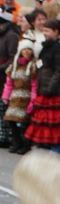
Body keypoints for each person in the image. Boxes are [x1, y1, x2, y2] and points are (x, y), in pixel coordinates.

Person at [24, 18, 60, 153]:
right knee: (42, 122)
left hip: (53, 92)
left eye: (47, 31)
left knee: (54, 124)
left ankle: (55, 149)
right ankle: (43, 147)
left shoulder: (59, 49)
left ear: (56, 32)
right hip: (43, 89)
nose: (45, 33)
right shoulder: (45, 47)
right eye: (43, 31)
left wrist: (50, 88)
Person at [1, 43, 36, 153]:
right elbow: (9, 83)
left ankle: (25, 144)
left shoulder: (32, 66)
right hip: (15, 97)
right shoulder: (14, 66)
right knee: (11, 119)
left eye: (29, 50)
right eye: (24, 49)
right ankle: (17, 142)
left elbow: (34, 85)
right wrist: (5, 96)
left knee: (24, 122)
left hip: (27, 97)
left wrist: (33, 99)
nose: (26, 52)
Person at [0, 9, 19, 147]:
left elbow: (13, 57)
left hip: (4, 76)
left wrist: (2, 67)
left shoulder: (11, 35)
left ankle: (5, 136)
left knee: (4, 107)